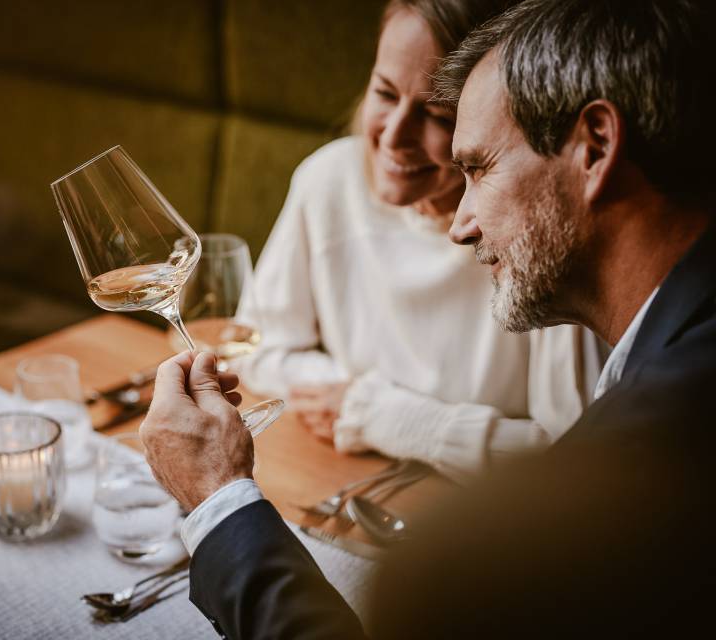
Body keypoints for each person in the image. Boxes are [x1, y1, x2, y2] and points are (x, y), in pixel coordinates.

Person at [139, 0, 716, 638]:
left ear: (596, 146)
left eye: (477, 167)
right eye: (385, 93)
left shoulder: (657, 447)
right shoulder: (667, 351)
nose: (460, 224)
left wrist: (220, 502)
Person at [238, 0, 603, 481]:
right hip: (343, 476)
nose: (393, 136)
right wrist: (344, 399)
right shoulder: (327, 181)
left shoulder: (539, 233)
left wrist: (388, 417)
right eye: (385, 93)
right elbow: (255, 350)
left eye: (435, 115)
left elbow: (579, 458)